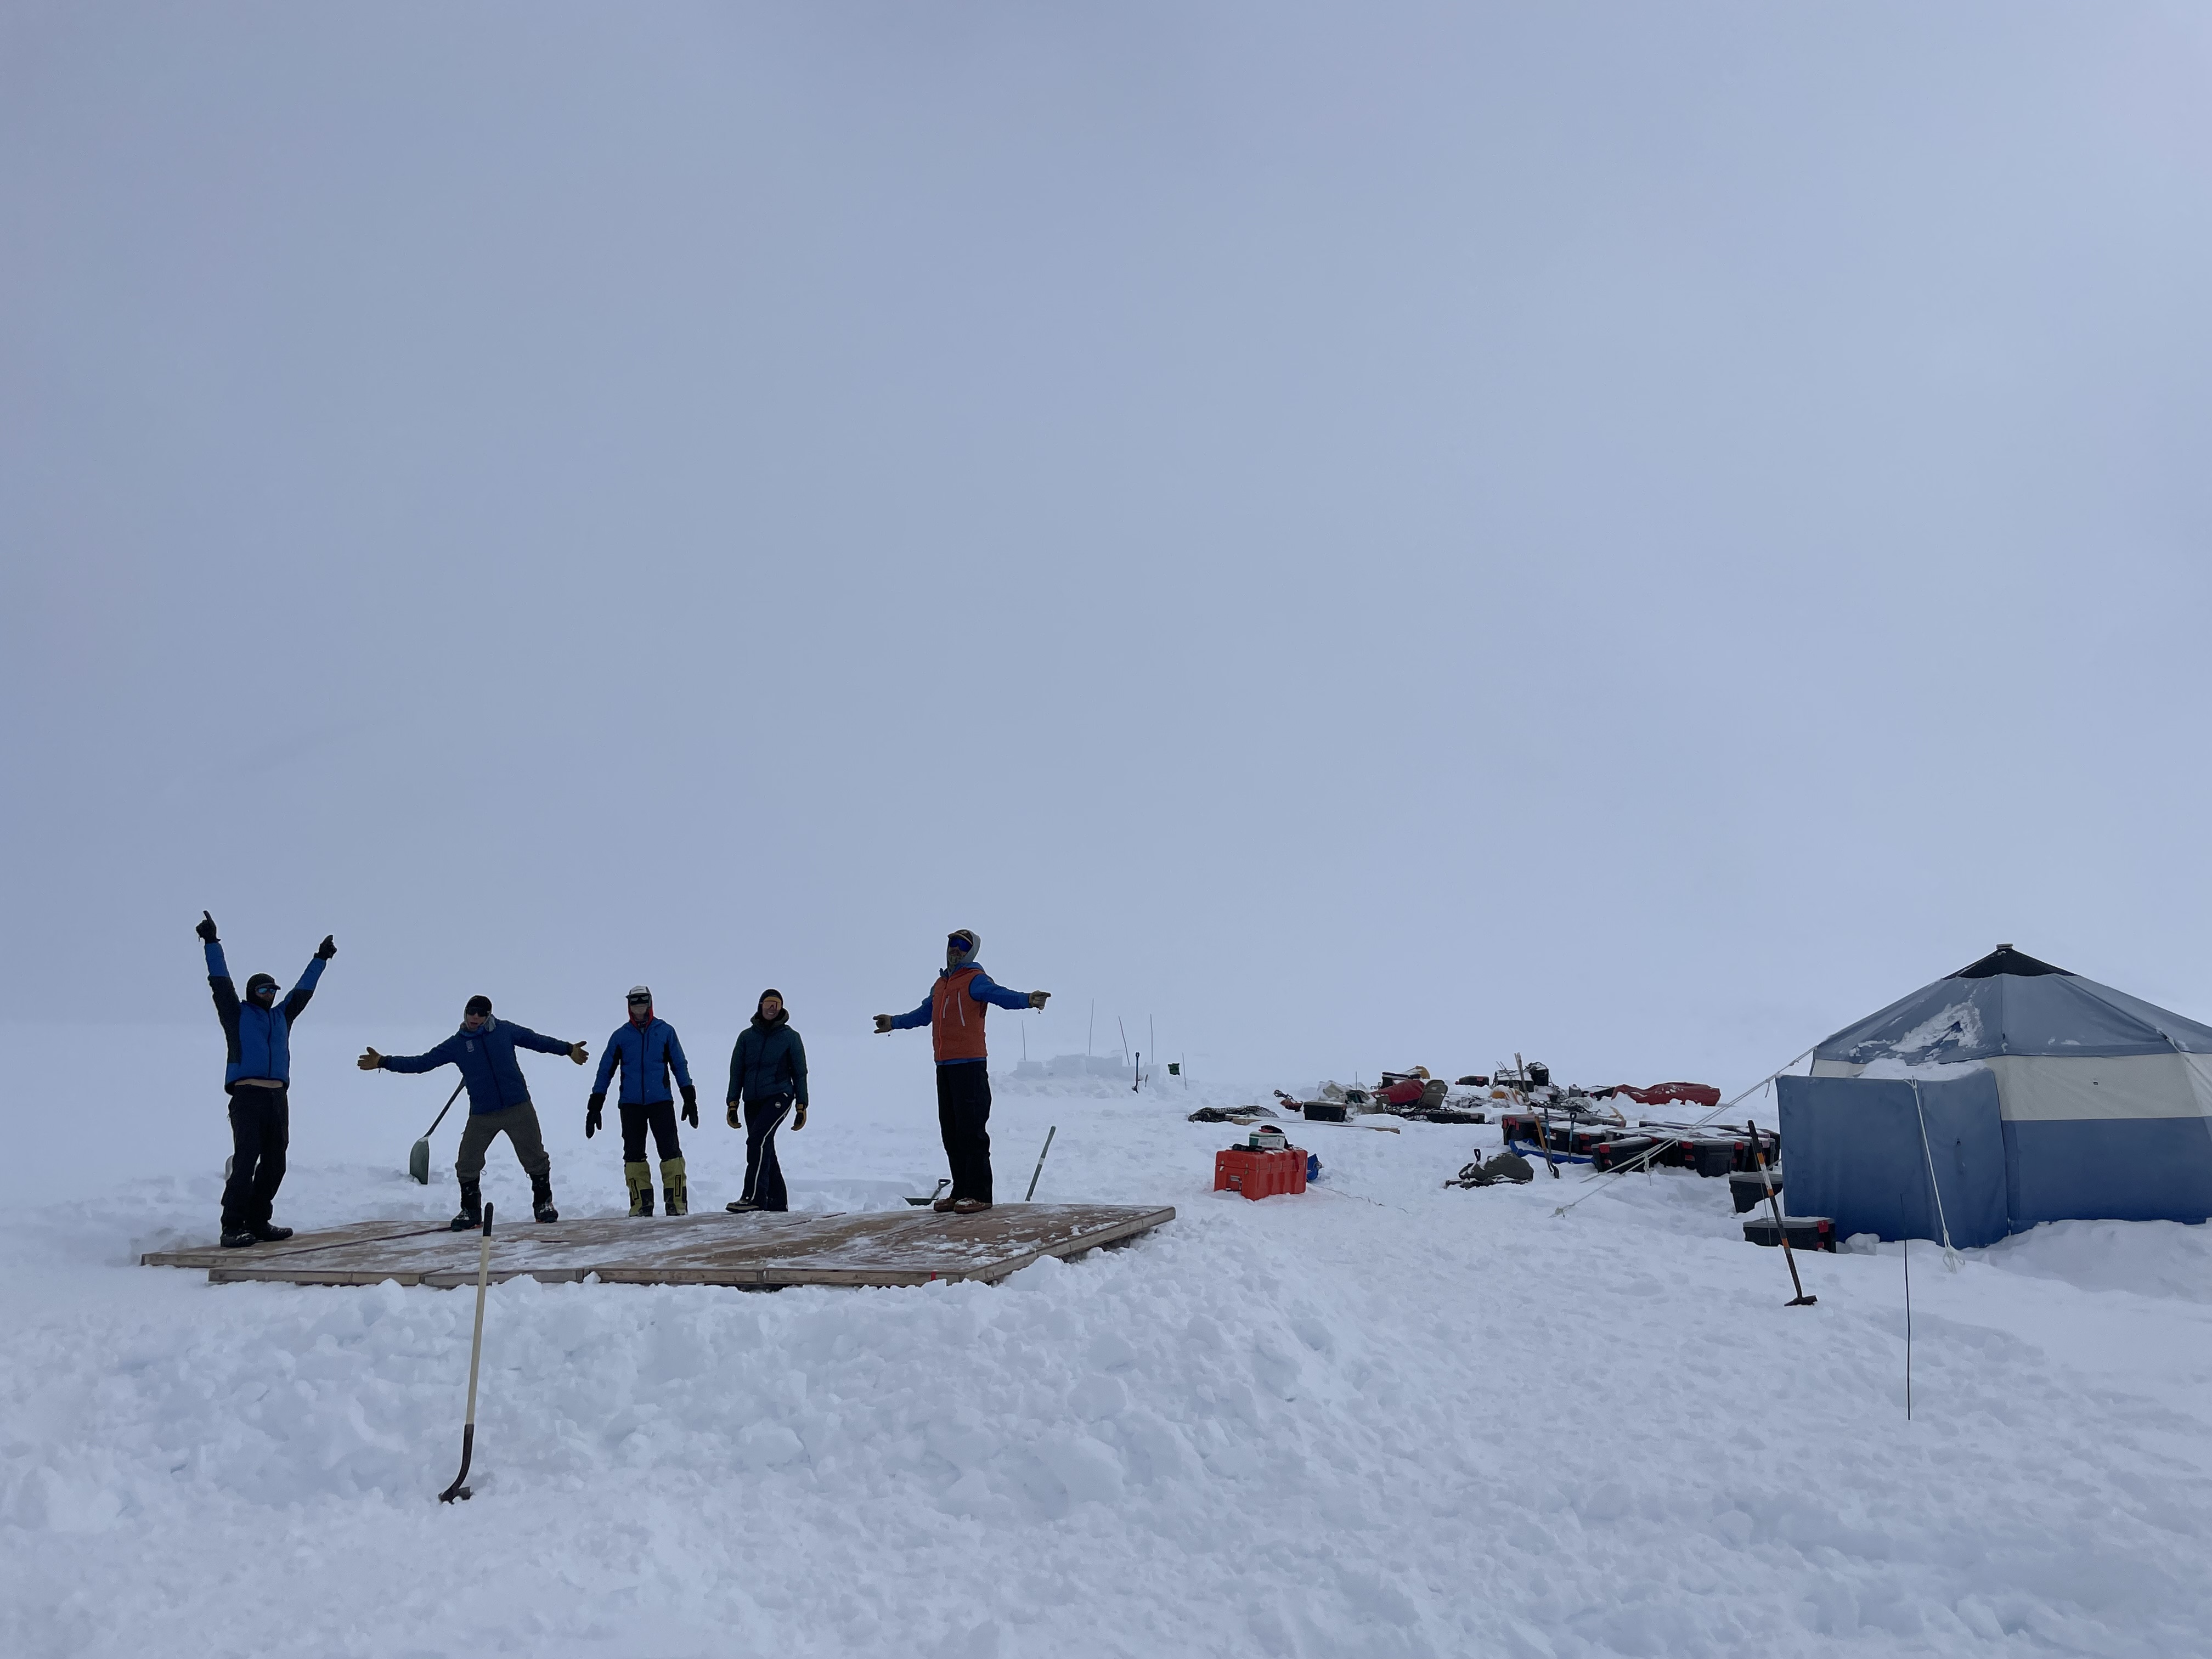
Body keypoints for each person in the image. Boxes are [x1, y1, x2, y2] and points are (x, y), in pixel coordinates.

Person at [358, 996, 588, 1228]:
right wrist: (383, 1062)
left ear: (488, 1015)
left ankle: (543, 1205)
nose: (475, 1017)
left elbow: (538, 1041)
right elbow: (421, 1063)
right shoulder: (457, 1044)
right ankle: (470, 1212)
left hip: (518, 1107)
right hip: (482, 1113)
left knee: (535, 1157)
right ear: (465, 1013)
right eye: (471, 1012)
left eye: (481, 1013)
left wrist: (568, 1049)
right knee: (467, 1162)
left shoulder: (505, 1031)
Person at [873, 930, 1048, 1213]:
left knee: (972, 1131)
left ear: (970, 952)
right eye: (951, 945)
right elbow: (923, 1015)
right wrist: (893, 1022)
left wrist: (1028, 999)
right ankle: (961, 1190)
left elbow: (999, 995)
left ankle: (979, 1194)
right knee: (951, 1132)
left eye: (961, 946)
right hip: (944, 1066)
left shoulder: (974, 980)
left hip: (970, 1065)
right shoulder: (941, 984)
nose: (955, 950)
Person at [195, 911, 335, 1248]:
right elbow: (221, 982)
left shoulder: (281, 1016)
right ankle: (232, 1226)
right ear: (251, 991)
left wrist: (320, 959)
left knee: (276, 1162)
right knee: (246, 1160)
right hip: (248, 1096)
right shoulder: (236, 1013)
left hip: (277, 1097)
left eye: (273, 989)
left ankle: (258, 1221)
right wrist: (212, 942)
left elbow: (303, 991)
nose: (269, 993)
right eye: (263, 988)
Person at [586, 985, 697, 1217]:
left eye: (643, 1002)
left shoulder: (665, 1031)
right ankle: (641, 1206)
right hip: (631, 1105)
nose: (639, 1007)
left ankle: (676, 1204)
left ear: (650, 1003)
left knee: (670, 1152)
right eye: (634, 1003)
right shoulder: (621, 1036)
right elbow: (605, 1070)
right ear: (629, 1006)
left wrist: (689, 1096)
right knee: (634, 1154)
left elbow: (679, 1064)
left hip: (661, 1102)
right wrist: (596, 1103)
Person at [725, 989, 808, 1213]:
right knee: (764, 1146)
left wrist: (802, 1106)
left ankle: (753, 1197)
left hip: (779, 1095)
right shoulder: (746, 1037)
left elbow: (800, 1073)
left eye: (777, 1004)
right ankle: (778, 1203)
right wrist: (732, 1103)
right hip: (752, 1100)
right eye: (769, 1003)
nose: (773, 1008)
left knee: (757, 1140)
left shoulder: (791, 1037)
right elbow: (737, 1071)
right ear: (761, 1005)